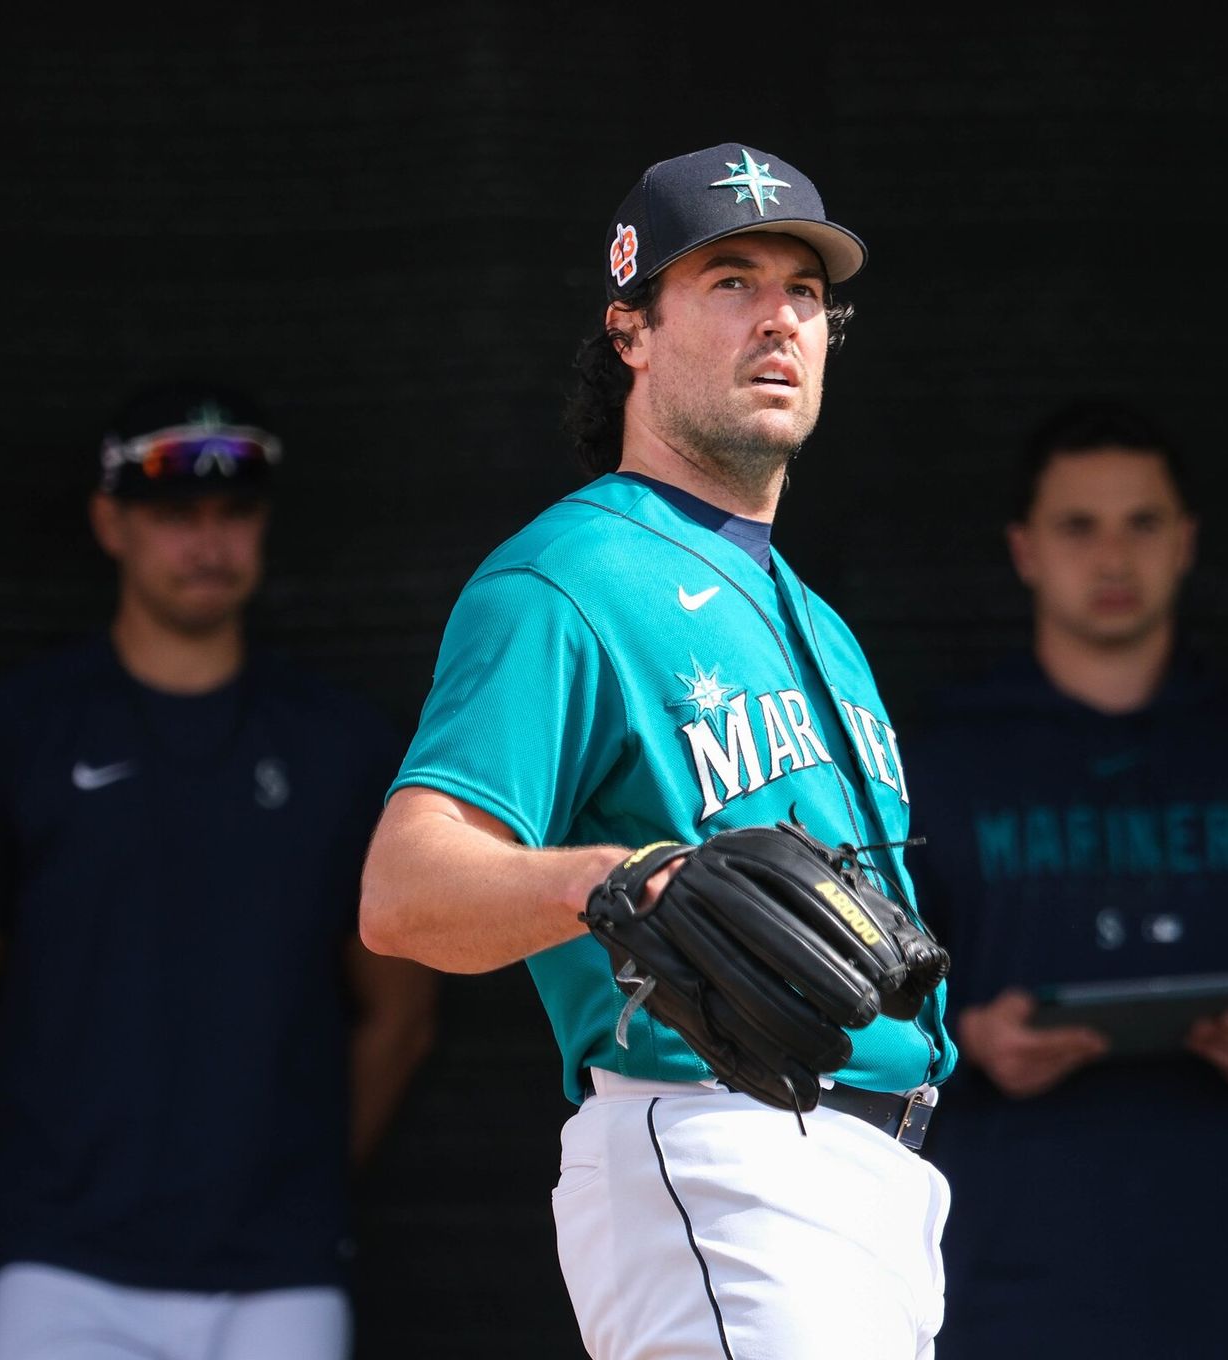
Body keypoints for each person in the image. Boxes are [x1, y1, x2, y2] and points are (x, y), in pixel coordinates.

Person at [359, 143, 953, 1360]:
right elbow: (402, 889)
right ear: (630, 331)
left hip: (881, 1188)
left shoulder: (816, 620)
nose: (778, 318)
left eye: (803, 290)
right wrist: (621, 880)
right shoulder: (565, 575)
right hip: (718, 1147)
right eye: (730, 280)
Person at [0, 379, 438, 1359]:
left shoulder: (342, 747)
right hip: (57, 1270)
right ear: (109, 523)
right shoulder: (10, 735)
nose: (209, 542)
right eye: (173, 514)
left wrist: (297, 1183)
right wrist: (44, 1188)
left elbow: (400, 1011)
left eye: (235, 513)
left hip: (281, 1271)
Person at [906, 397, 1228, 1359]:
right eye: (1080, 526)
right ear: (1025, 549)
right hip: (1010, 1292)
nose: (1113, 558)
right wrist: (966, 1038)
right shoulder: (933, 765)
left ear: (1186, 541)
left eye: (1141, 523)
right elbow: (854, 1005)